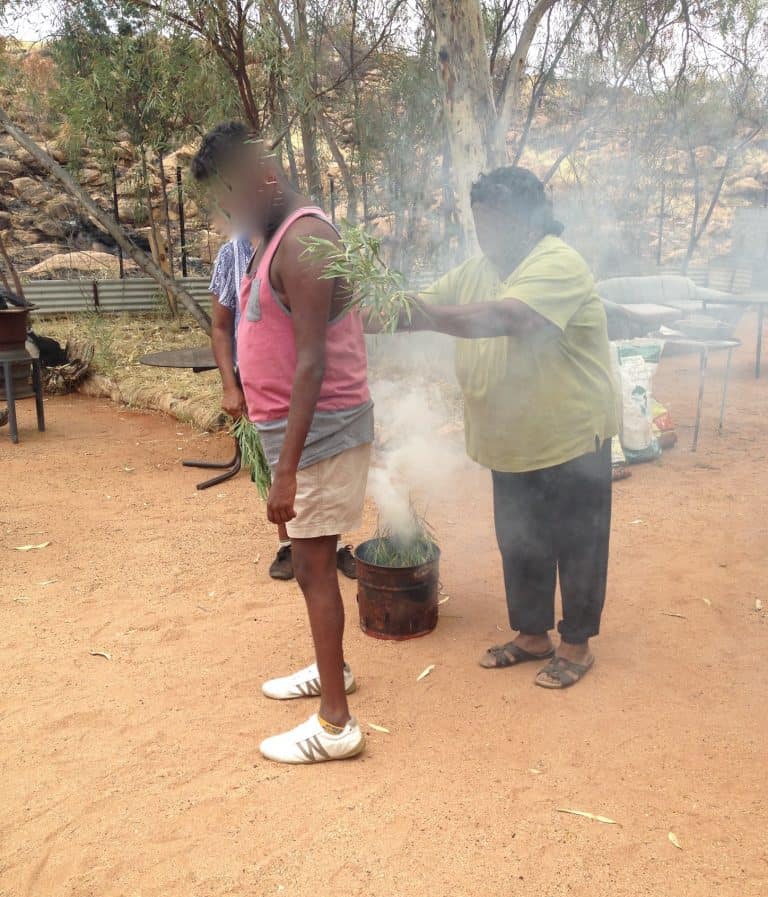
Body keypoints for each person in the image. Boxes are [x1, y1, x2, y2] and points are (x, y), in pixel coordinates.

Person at [380, 166, 617, 688]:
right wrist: (360, 306)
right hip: (509, 436)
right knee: (521, 540)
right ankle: (532, 635)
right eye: (479, 221)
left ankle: (576, 644)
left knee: (577, 539)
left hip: (569, 435)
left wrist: (424, 317)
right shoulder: (479, 268)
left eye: (496, 222)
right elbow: (416, 305)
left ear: (530, 220)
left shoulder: (559, 264)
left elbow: (509, 319)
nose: (484, 234)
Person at [192, 122, 372, 763]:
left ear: (265, 179)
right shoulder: (271, 238)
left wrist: (287, 470)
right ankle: (334, 673)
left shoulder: (305, 242)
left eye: (233, 195)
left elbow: (313, 364)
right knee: (308, 566)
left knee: (314, 567)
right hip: (297, 435)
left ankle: (336, 725)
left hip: (319, 436)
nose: (229, 211)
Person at [209, 236, 358, 583]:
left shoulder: (305, 242)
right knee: (279, 466)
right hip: (265, 388)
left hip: (318, 379)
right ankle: (288, 544)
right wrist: (231, 387)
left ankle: (335, 545)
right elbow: (220, 327)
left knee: (325, 459)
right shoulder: (232, 255)